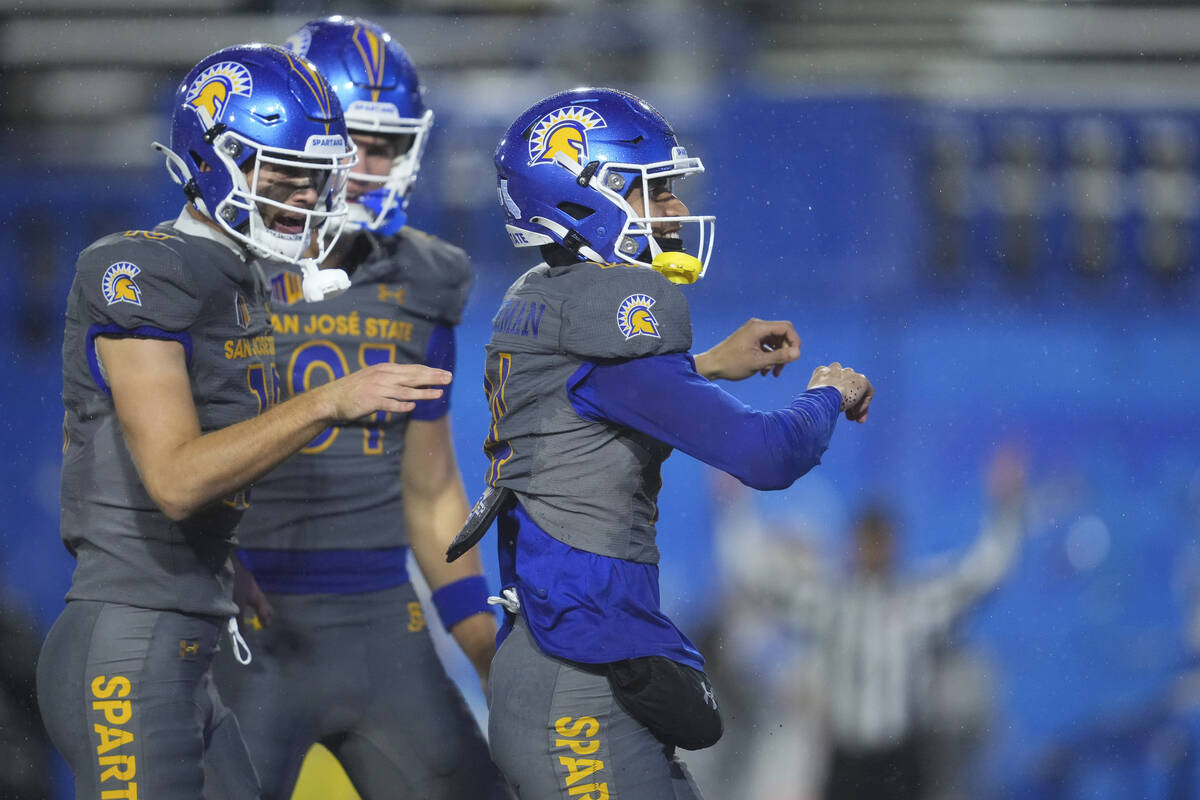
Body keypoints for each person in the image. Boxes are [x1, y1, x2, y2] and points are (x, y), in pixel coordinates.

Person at [38, 42, 451, 799]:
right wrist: (329, 398)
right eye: (285, 173)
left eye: (313, 177)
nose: (306, 197)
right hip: (129, 647)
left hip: (186, 643)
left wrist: (227, 562)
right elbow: (173, 478)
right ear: (213, 155)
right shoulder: (138, 268)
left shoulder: (238, 280)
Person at [470, 86, 874, 800]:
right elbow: (765, 454)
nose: (679, 212)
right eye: (656, 193)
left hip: (572, 662)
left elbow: (592, 397)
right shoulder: (610, 310)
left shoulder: (546, 295)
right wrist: (828, 393)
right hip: (576, 686)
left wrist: (709, 363)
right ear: (580, 200)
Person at [208, 16, 509, 800]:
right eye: (358, 142)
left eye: (392, 145)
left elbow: (432, 488)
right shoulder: (213, 267)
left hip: (383, 623)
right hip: (248, 624)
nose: (375, 167)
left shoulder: (425, 279)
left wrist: (484, 646)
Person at [724, 449, 1028, 800]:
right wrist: (734, 508)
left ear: (894, 544)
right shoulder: (831, 603)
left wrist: (1005, 508)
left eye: (880, 541)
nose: (873, 550)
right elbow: (760, 578)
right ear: (853, 544)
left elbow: (981, 576)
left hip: (901, 759)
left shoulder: (918, 601)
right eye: (867, 541)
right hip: (845, 759)